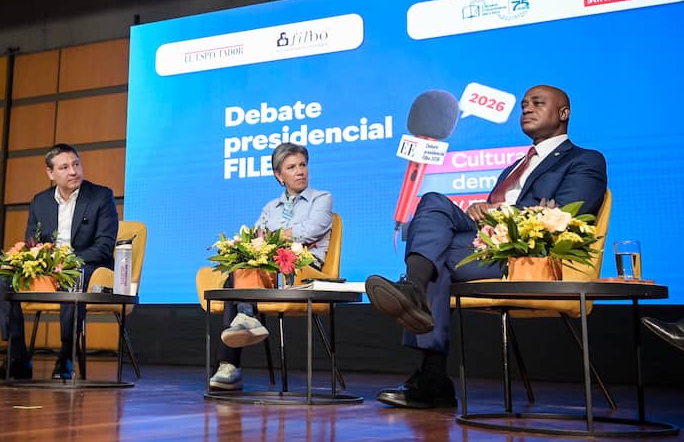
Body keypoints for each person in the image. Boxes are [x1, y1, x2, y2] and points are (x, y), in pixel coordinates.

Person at [365, 85, 606, 409]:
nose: (526, 109)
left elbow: (567, 214)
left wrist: (501, 212)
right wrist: (482, 211)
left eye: (537, 103)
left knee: (437, 258)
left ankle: (430, 369)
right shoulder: (514, 168)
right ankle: (415, 292)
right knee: (433, 201)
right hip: (488, 243)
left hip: (529, 257)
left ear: (564, 113)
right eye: (523, 105)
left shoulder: (584, 160)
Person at [0, 143, 119, 381]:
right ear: (50, 173)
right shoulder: (40, 201)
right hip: (47, 268)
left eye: (76, 164)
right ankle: (17, 357)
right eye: (64, 167)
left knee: (73, 276)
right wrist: (37, 260)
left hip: (86, 265)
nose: (73, 171)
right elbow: (32, 242)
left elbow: (104, 246)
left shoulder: (101, 196)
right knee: (1, 279)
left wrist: (66, 262)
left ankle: (66, 355)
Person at [209, 142, 333, 391]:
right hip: (268, 270)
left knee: (239, 276)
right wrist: (265, 243)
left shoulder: (321, 198)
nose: (300, 171)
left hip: (304, 269)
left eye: (303, 165)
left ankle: (230, 362)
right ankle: (245, 319)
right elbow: (256, 238)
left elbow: (311, 230)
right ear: (279, 175)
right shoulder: (270, 207)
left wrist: (273, 238)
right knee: (243, 263)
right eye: (291, 167)